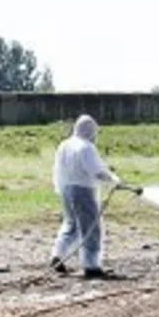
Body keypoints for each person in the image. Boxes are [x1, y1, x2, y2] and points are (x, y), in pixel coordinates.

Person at [50, 114, 123, 279]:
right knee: (91, 228)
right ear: (91, 131)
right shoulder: (86, 147)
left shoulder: (65, 144)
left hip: (66, 190)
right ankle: (91, 266)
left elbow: (57, 169)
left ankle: (58, 255)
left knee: (71, 225)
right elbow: (96, 171)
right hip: (83, 191)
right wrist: (114, 180)